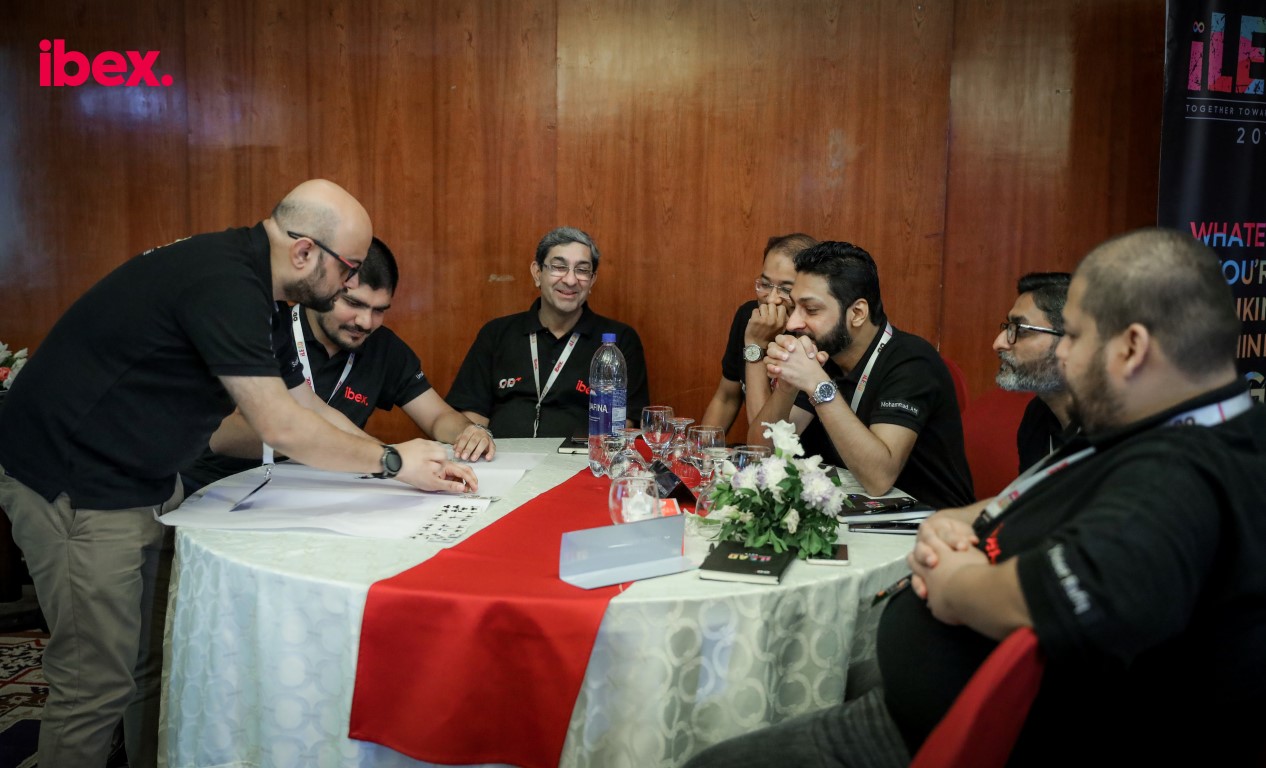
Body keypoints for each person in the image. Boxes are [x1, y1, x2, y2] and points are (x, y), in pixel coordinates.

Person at [685, 228, 1266, 767]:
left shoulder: (1180, 473)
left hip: (958, 733)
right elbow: (1040, 494)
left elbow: (1053, 598)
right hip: (930, 691)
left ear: (1132, 347)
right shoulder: (1156, 426)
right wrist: (965, 519)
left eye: (1076, 336)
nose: (1064, 355)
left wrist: (955, 583)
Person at [0, 180, 476, 768]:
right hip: (80, 486)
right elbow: (282, 426)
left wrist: (395, 459)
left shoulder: (264, 292)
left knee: (153, 660)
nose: (348, 285)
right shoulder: (225, 283)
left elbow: (306, 402)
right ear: (305, 252)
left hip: (149, 478)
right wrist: (392, 462)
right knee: (94, 684)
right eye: (348, 269)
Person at [183, 236, 495, 494]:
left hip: (319, 493)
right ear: (324, 288)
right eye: (354, 303)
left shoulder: (383, 347)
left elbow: (437, 415)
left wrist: (469, 432)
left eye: (379, 310)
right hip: (223, 489)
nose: (365, 322)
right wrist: (387, 459)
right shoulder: (269, 329)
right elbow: (226, 437)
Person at [748, 241, 974, 508]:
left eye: (811, 310)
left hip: (929, 521)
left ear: (857, 313)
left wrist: (816, 383)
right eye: (794, 306)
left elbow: (878, 478)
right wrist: (787, 385)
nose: (793, 323)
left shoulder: (912, 362)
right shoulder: (826, 353)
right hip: (855, 512)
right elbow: (761, 453)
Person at [447, 226, 650, 437]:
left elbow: (624, 422)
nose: (570, 280)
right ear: (537, 273)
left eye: (582, 270)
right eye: (559, 267)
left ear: (592, 280)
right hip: (501, 454)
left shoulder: (618, 341)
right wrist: (476, 441)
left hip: (581, 456)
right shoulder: (496, 334)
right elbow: (471, 413)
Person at [700, 233, 817, 432]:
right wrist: (701, 448)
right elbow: (727, 398)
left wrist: (755, 345)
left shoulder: (815, 336)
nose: (771, 299)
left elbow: (767, 436)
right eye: (765, 285)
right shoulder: (750, 316)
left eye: (786, 289)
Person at [993, 271, 1075, 472]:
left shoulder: (1125, 434)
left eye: (1020, 330)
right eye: (1009, 327)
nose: (998, 343)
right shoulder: (1037, 416)